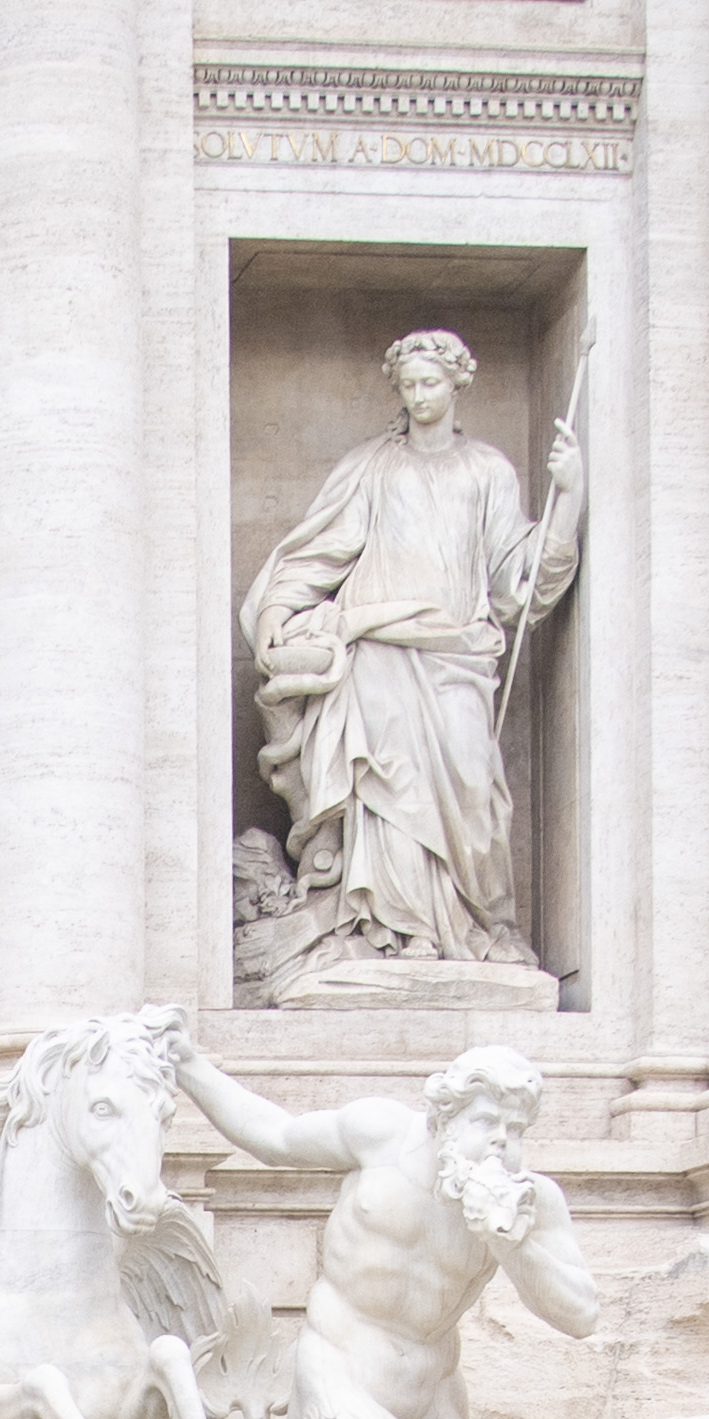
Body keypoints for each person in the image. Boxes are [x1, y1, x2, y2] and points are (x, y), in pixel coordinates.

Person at [241, 326, 584, 975]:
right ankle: (395, 929)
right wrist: (278, 611)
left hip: (457, 653)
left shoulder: (487, 470)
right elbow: (319, 551)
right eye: (409, 385)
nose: (420, 395)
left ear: (457, 385)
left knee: (472, 787)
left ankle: (478, 924)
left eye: (431, 383)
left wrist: (568, 498)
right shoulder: (372, 466)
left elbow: (521, 579)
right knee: (387, 790)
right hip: (377, 650)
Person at [165, 1037, 601, 1419]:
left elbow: (581, 1315)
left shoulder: (531, 1203)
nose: (501, 1139)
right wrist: (188, 1063)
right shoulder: (381, 1135)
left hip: (434, 1395)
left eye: (515, 1129)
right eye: (486, 1121)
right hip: (340, 1373)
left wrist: (511, 1241)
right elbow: (275, 1137)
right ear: (444, 1120)